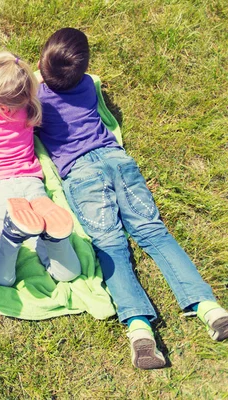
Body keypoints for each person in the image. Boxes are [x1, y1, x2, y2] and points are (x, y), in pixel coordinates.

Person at [37, 27, 228, 369]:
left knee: (110, 245)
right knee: (155, 233)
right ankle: (210, 310)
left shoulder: (37, 99)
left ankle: (140, 330)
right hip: (117, 161)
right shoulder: (86, 86)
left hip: (81, 176)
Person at [0, 51, 81, 287]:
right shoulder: (27, 110)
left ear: (3, 108)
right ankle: (54, 240)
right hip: (30, 181)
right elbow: (29, 84)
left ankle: (12, 235)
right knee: (63, 268)